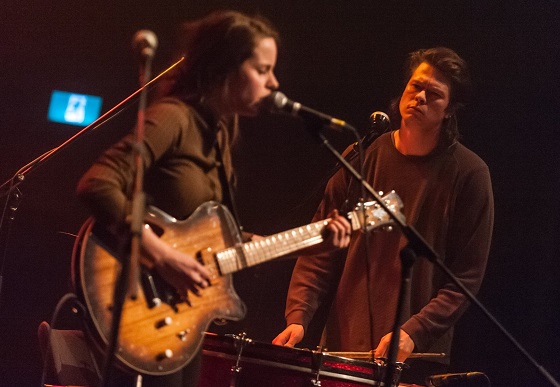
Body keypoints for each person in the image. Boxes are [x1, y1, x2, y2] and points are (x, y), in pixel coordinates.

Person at [76, 10, 351, 387]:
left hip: (179, 321)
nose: (274, 82)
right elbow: (98, 183)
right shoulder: (173, 117)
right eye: (262, 69)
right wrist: (162, 255)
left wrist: (315, 242)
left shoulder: (221, 131)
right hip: (140, 305)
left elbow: (227, 240)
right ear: (226, 68)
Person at [273, 47, 494, 384]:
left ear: (449, 110)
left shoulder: (470, 174)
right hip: (341, 349)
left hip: (413, 357)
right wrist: (298, 316)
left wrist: (414, 331)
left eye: (433, 94)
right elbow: (321, 244)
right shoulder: (361, 158)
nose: (419, 97)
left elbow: (465, 278)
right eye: (415, 86)